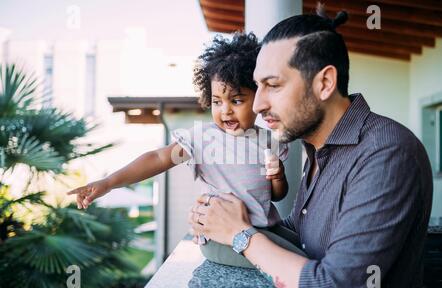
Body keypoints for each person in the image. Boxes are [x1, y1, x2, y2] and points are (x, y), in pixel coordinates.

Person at [189, 7, 433, 288]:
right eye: (257, 86)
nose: (257, 105)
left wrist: (239, 234)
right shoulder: (318, 149)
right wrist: (220, 218)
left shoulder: (387, 154)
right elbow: (305, 236)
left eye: (273, 85)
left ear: (325, 83)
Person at [67, 32, 305, 269]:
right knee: (301, 263)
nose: (226, 111)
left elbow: (276, 195)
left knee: (304, 245)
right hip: (221, 239)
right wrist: (109, 183)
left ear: (258, 96)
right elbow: (158, 158)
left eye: (237, 100)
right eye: (217, 101)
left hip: (262, 230)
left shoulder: (268, 141)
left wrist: (278, 177)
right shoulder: (203, 139)